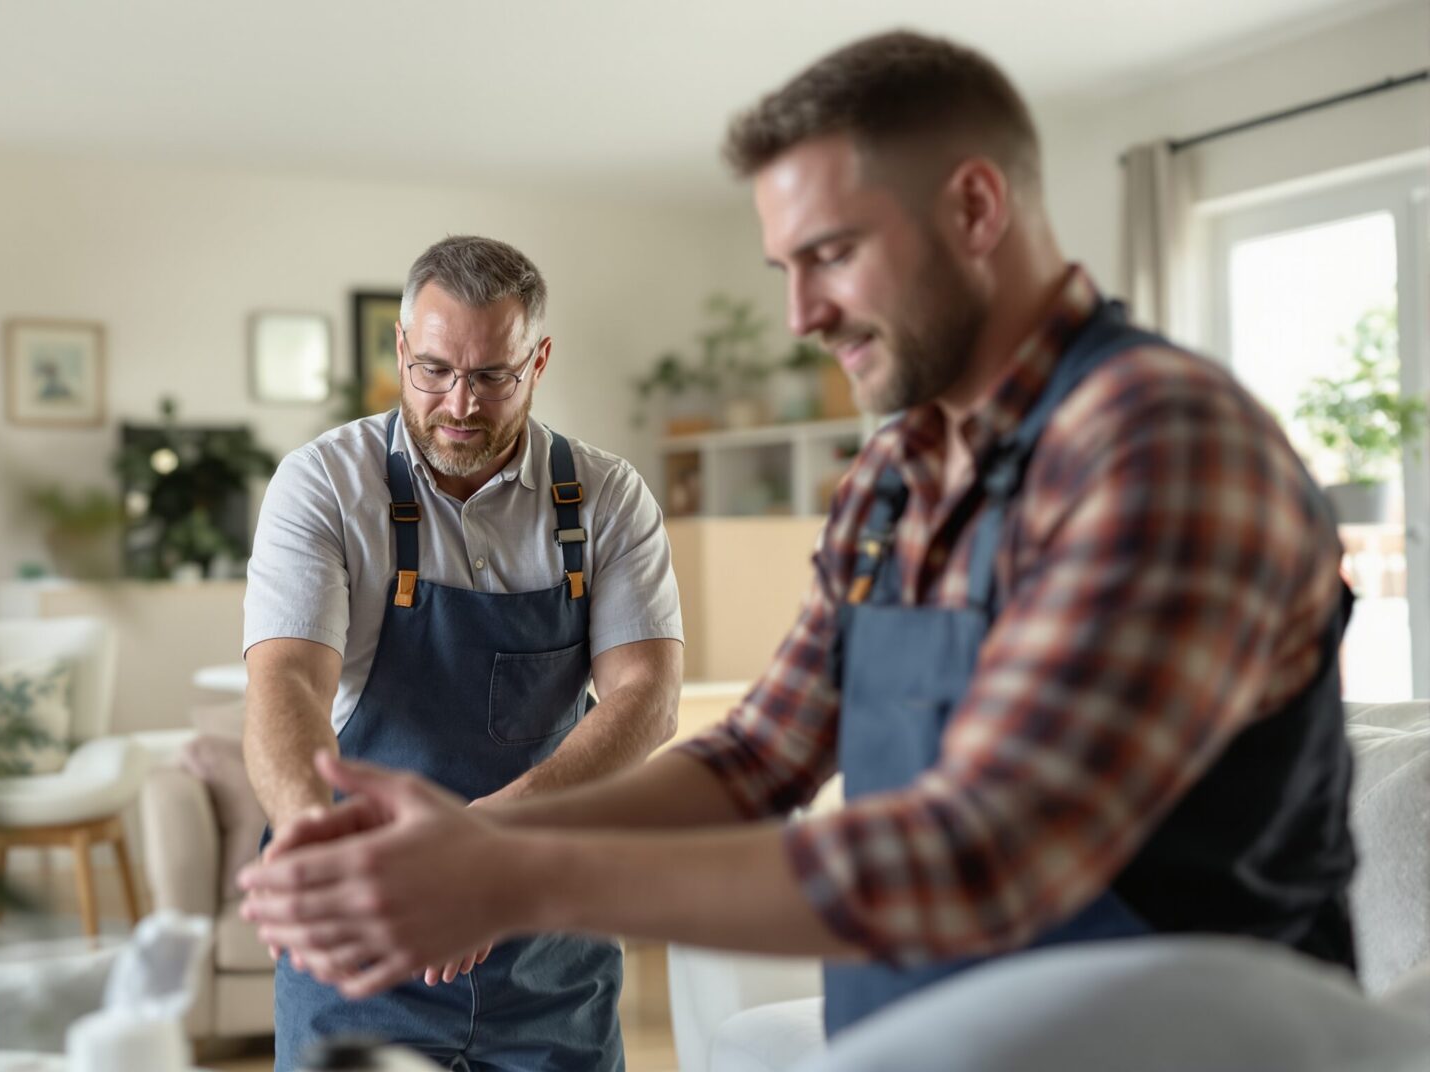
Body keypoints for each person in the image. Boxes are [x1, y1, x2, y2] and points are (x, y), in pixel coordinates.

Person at [240, 29, 1359, 1045]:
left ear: (974, 209)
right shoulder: (891, 480)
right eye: (786, 267)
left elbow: (976, 859)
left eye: (831, 253)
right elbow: (755, 758)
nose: (801, 315)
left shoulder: (1161, 448)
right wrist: (475, 854)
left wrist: (520, 874)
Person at [240, 234, 685, 1070]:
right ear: (402, 349)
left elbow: (646, 699)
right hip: (367, 952)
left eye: (491, 377)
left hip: (550, 947)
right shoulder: (325, 485)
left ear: (538, 360)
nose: (460, 405)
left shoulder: (606, 497)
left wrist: (478, 844)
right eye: (435, 370)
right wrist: (313, 843)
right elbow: (288, 679)